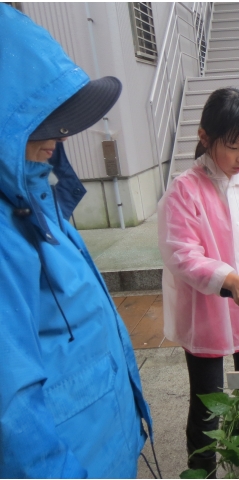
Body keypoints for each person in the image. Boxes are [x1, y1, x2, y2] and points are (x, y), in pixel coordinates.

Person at [0, 5, 152, 477]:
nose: (58, 134)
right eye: (40, 120)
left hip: (104, 441)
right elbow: (11, 409)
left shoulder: (37, 191)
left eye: (59, 118)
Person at [157, 87, 239, 473]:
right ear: (204, 137)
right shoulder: (185, 189)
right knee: (208, 401)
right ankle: (203, 470)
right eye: (233, 146)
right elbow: (181, 253)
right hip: (206, 310)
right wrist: (228, 278)